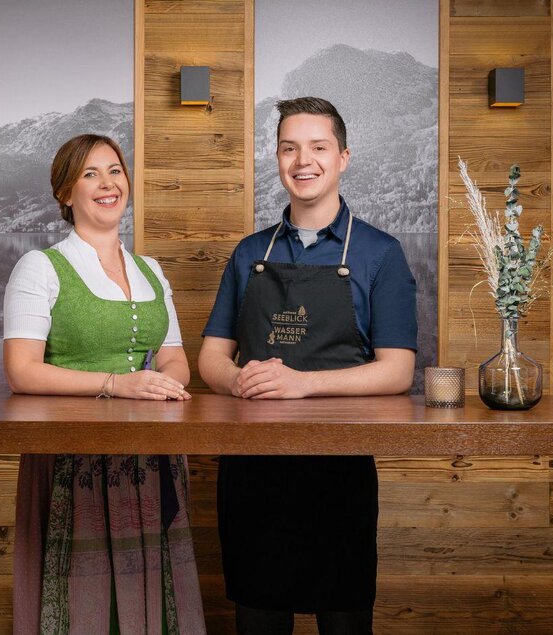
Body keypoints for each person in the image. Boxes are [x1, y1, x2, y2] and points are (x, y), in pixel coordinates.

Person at [198, 97, 418, 634]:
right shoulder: (248, 253)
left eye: (318, 147)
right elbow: (210, 358)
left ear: (343, 157)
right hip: (252, 473)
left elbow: (397, 371)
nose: (303, 161)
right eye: (289, 148)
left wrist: (301, 384)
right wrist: (239, 379)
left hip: (338, 473)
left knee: (344, 623)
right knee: (258, 622)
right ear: (277, 159)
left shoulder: (380, 254)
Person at [3, 134, 205, 634]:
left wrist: (160, 386)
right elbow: (22, 370)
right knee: (85, 601)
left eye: (115, 171)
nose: (107, 183)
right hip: (73, 455)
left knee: (154, 590)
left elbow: (175, 360)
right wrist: (119, 384)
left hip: (152, 453)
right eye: (90, 174)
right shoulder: (40, 267)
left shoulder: (150, 270)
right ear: (65, 193)